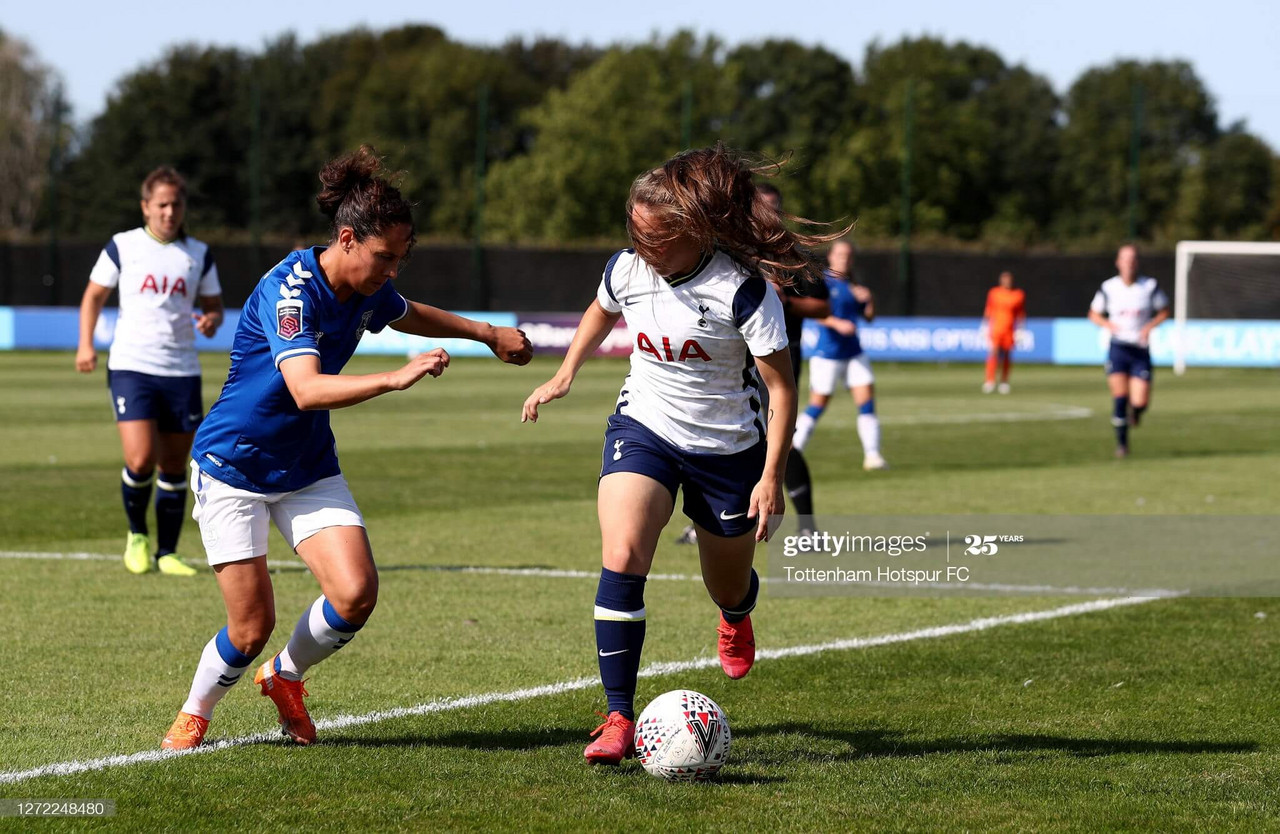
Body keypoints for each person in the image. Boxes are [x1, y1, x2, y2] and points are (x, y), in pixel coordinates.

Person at [160, 146, 533, 750]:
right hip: (233, 465)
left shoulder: (367, 286)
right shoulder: (290, 291)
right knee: (251, 627)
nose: (391, 272)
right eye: (384, 258)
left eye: (399, 259)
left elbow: (408, 311)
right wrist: (393, 377)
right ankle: (196, 710)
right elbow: (306, 390)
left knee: (356, 593)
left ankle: (285, 677)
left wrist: (486, 333)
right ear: (348, 238)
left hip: (306, 466)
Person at [522, 144, 845, 766]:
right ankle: (617, 717)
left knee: (725, 583)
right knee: (621, 555)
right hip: (644, 426)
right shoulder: (627, 269)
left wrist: (771, 476)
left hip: (728, 451)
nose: (641, 248)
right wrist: (565, 374)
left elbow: (781, 387)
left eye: (654, 238)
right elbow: (599, 309)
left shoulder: (744, 292)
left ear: (694, 232)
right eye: (634, 234)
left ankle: (736, 611)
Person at [76, 167, 225, 577]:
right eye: (161, 204)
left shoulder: (198, 253)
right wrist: (86, 343)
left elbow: (214, 306)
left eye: (176, 204)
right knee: (141, 459)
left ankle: (168, 552)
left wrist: (211, 320)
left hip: (181, 369)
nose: (169, 211)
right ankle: (137, 535)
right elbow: (93, 296)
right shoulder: (123, 246)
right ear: (146, 206)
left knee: (175, 466)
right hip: (131, 365)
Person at [675, 182, 829, 544]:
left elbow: (823, 307)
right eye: (761, 207)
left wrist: (783, 301)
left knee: (775, 438)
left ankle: (807, 527)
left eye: (774, 207)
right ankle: (710, 518)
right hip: (728, 357)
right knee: (716, 430)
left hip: (778, 352)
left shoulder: (791, 253)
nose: (768, 214)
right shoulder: (728, 249)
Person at [791, 239, 887, 471]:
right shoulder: (822, 280)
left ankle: (873, 456)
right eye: (840, 254)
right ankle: (792, 453)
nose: (844, 259)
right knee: (817, 405)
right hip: (827, 354)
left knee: (867, 404)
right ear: (831, 257)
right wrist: (836, 324)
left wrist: (869, 299)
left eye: (848, 255)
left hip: (854, 352)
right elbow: (814, 311)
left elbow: (869, 317)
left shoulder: (854, 284)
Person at [1088, 244, 1168, 458]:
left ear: (1137, 262)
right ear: (1118, 262)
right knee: (1120, 397)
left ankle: (1137, 413)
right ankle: (1122, 445)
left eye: (1133, 259)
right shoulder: (1108, 287)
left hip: (1140, 350)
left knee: (1140, 401)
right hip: (1118, 348)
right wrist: (1108, 325)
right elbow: (1093, 314)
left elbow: (1163, 311)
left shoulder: (1149, 286)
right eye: (1125, 259)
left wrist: (1149, 327)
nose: (1129, 263)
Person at [982, 271, 1026, 394]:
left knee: (1007, 355)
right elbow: (988, 309)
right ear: (1001, 280)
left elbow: (1020, 313)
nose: (1007, 282)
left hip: (1010, 329)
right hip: (996, 328)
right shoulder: (994, 293)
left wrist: (1021, 329)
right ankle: (990, 380)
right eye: (1004, 279)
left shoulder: (1018, 294)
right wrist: (984, 325)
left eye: (1009, 279)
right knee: (994, 352)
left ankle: (1004, 381)